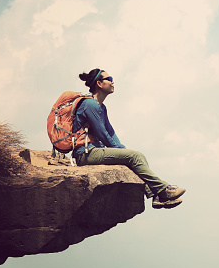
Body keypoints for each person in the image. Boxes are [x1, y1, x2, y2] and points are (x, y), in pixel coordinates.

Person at [72, 68, 185, 209]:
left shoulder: (102, 107)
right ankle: (163, 190)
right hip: (85, 153)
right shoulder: (90, 104)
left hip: (94, 151)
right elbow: (103, 135)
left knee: (136, 156)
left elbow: (111, 132)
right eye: (110, 78)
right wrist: (127, 154)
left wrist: (123, 151)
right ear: (99, 84)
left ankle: (157, 196)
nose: (113, 82)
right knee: (135, 156)